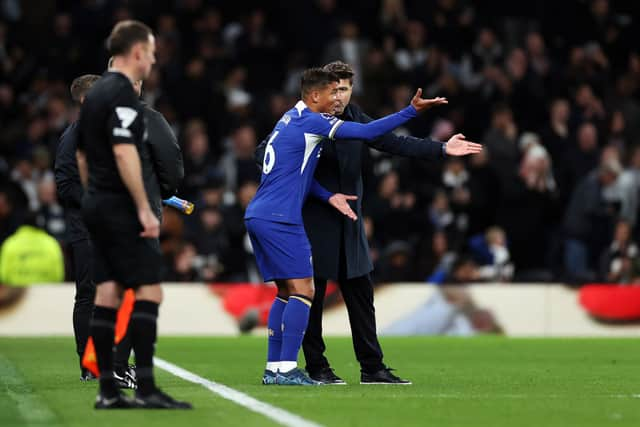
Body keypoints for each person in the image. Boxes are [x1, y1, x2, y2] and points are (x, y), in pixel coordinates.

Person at [256, 61, 482, 384]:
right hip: (314, 219)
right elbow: (263, 154)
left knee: (361, 294)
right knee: (311, 296)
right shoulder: (307, 119)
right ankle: (317, 366)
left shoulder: (355, 118)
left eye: (345, 89)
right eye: (334, 89)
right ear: (320, 92)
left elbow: (395, 143)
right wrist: (324, 194)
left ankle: (372, 367)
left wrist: (442, 148)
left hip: (350, 221)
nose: (339, 96)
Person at [75, 20, 190, 409]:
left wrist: (96, 193)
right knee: (149, 291)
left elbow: (80, 154)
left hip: (98, 205)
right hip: (124, 209)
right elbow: (126, 152)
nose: (155, 59)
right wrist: (143, 206)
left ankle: (108, 388)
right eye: (153, 52)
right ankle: (145, 386)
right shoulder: (124, 96)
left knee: (107, 293)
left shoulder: (94, 96)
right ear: (137, 52)